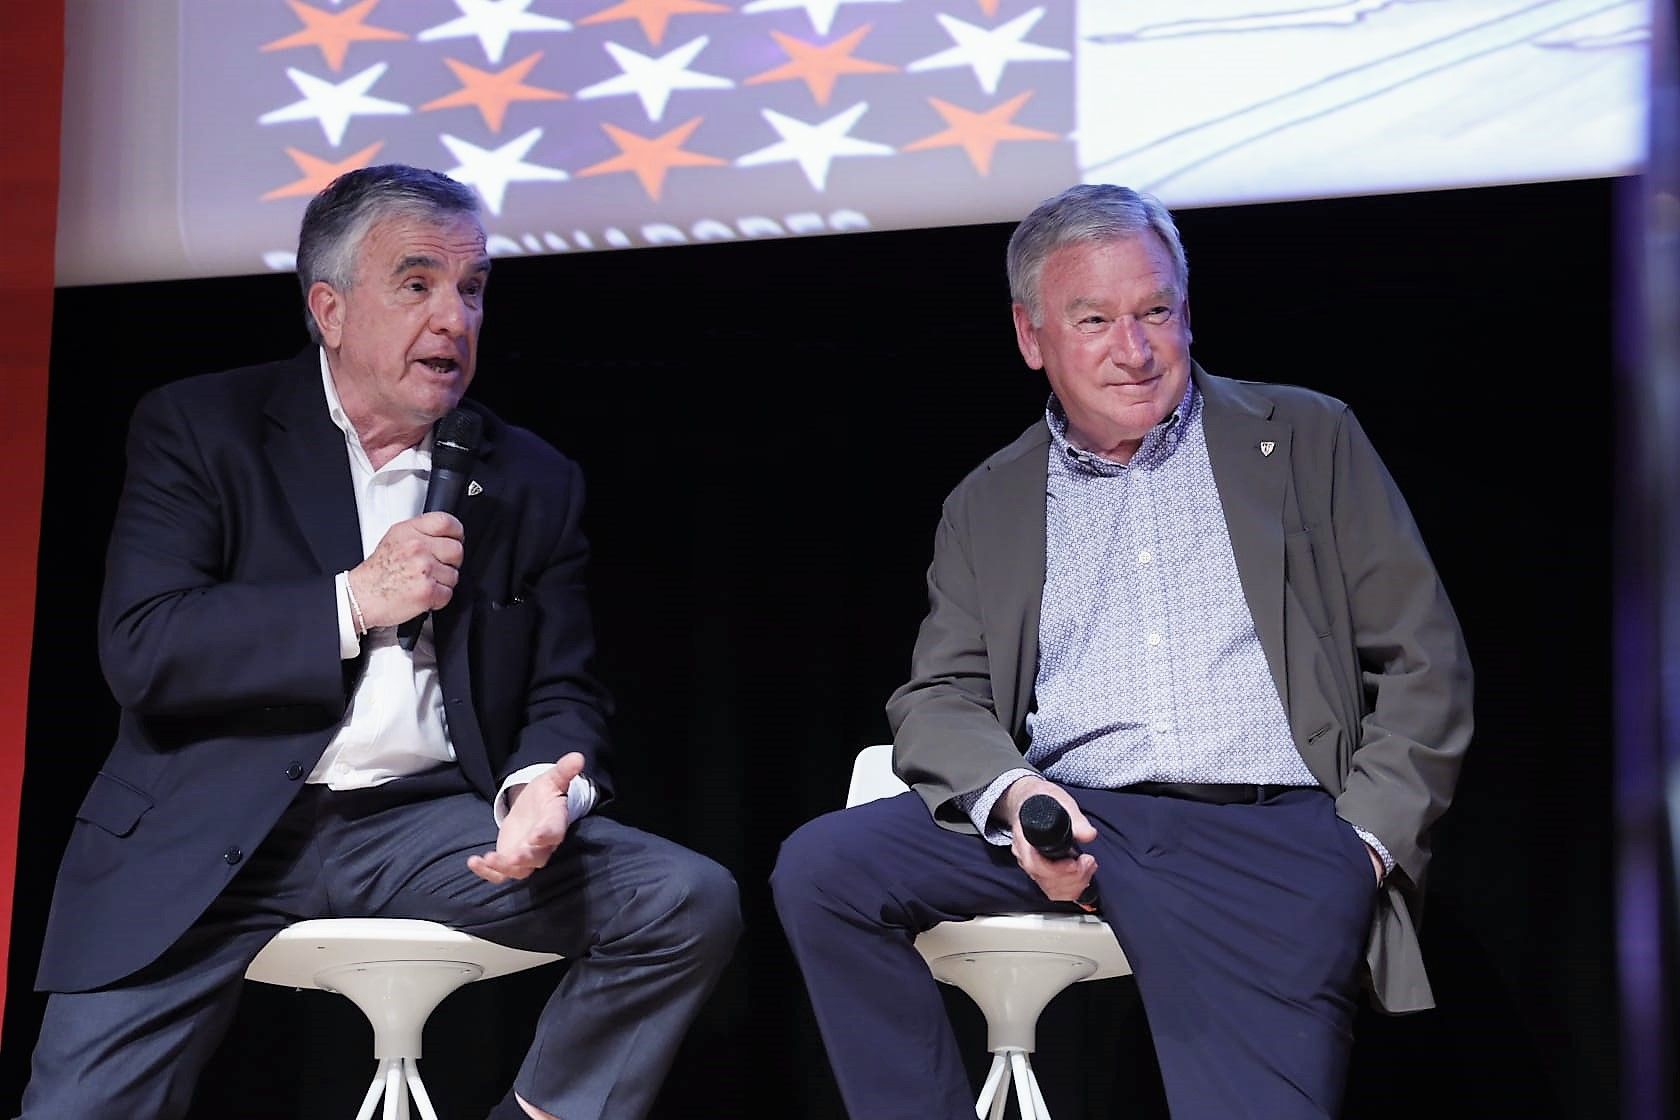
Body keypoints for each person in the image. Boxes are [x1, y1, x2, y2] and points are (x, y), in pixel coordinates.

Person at [18, 163, 741, 1120]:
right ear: (330, 308)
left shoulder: (529, 477)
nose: (455, 318)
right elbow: (145, 650)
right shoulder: (204, 428)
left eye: (472, 289)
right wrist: (352, 599)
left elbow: (564, 689)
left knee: (685, 900)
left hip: (425, 828)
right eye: (418, 284)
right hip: (208, 825)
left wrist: (539, 790)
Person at [771, 183, 1473, 1118]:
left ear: (1187, 310)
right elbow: (940, 696)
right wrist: (1018, 801)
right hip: (1084, 823)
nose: (1133, 350)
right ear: (1032, 338)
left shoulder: (1305, 437)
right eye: (1094, 318)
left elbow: (1426, 659)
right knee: (827, 869)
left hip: (1267, 839)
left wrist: (1366, 847)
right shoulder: (991, 499)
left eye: (1155, 311)